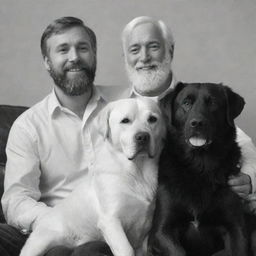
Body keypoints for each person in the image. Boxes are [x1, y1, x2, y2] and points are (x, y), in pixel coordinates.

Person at [0, 16, 115, 256]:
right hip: (61, 234)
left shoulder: (124, 106)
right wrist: (59, 220)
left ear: (94, 54)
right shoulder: (28, 127)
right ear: (47, 62)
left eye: (82, 48)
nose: (74, 57)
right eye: (63, 49)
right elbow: (16, 200)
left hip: (123, 224)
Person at [120, 16, 256, 202]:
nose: (144, 57)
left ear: (170, 51)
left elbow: (241, 142)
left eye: (153, 47)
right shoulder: (116, 107)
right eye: (134, 49)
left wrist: (249, 176)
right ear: (125, 57)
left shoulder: (190, 97)